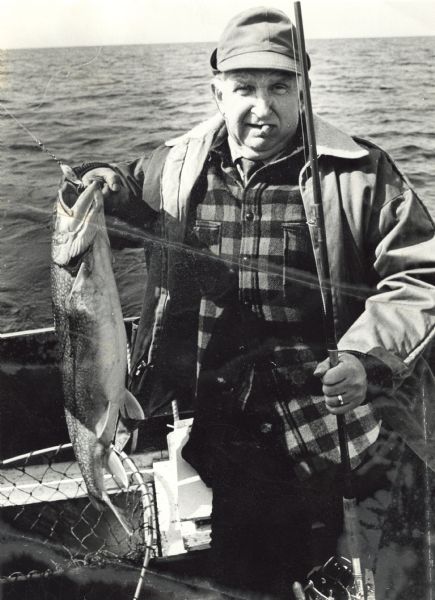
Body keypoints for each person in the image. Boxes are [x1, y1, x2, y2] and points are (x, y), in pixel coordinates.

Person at [63, 7, 435, 599]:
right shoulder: (178, 167)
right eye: (244, 88)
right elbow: (123, 195)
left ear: (305, 90)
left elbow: (420, 274)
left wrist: (366, 359)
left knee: (389, 583)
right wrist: (99, 176)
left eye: (279, 87)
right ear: (216, 91)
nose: (262, 107)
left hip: (348, 433)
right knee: (247, 582)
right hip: (234, 437)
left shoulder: (363, 174)